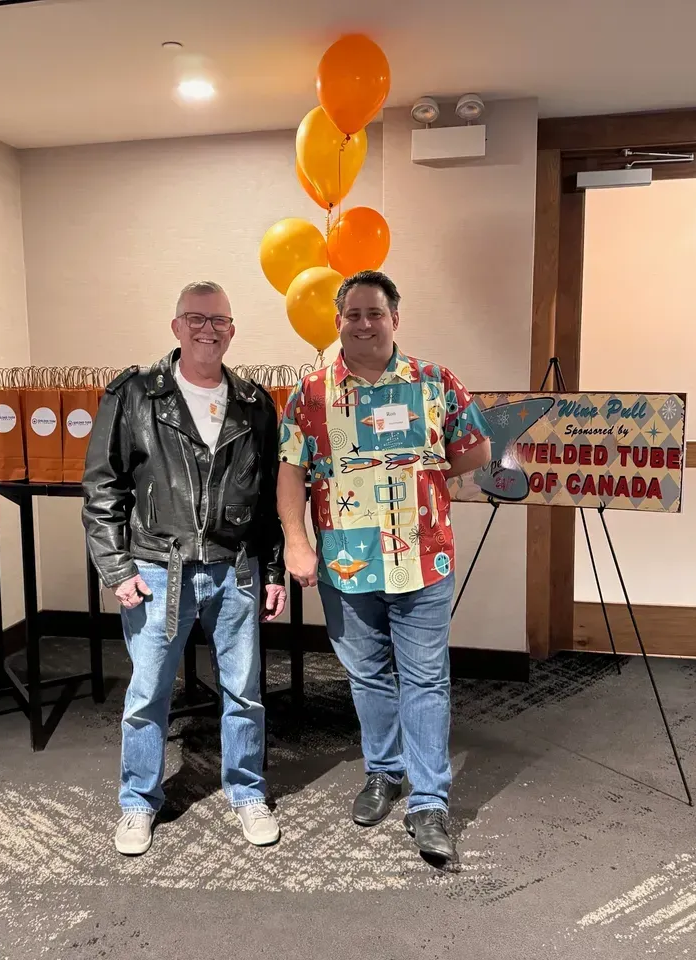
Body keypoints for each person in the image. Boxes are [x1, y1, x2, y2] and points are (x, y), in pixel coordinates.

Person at [276, 270, 492, 865]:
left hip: (422, 560)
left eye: (375, 313)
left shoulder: (433, 382)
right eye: (354, 314)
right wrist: (297, 539)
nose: (365, 323)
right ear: (338, 321)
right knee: (367, 676)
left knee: (426, 679)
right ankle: (383, 771)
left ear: (395, 318)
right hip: (348, 564)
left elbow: (475, 446)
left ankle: (428, 802)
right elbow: (290, 469)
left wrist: (422, 476)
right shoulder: (311, 393)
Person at [82, 280, 287, 856]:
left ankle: (247, 792)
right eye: (195, 318)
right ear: (175, 327)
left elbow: (271, 497)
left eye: (218, 319)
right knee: (148, 695)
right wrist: (115, 568)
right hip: (157, 568)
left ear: (232, 328)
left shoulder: (255, 403)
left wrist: (272, 571)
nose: (207, 329)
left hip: (236, 570)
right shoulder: (135, 396)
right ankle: (136, 804)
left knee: (244, 693)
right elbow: (102, 487)